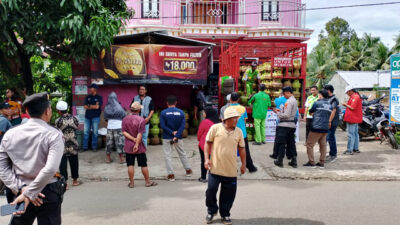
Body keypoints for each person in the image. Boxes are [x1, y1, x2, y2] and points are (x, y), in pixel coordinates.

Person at [0, 92, 64, 225]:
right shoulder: (54, 135)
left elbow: (2, 167)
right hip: (47, 190)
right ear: (47, 111)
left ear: (27, 111)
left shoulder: (10, 134)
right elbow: (50, 168)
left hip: (19, 190)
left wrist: (22, 190)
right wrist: (30, 193)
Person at [204, 107, 246, 225]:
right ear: (226, 119)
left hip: (231, 170)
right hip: (215, 168)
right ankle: (211, 211)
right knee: (211, 191)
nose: (236, 120)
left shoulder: (239, 132)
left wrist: (244, 164)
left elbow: (242, 149)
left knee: (228, 195)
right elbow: (207, 144)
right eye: (234, 118)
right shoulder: (215, 128)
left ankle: (225, 214)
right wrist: (206, 159)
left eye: (237, 118)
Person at [122, 102, 157, 188]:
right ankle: (147, 182)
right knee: (143, 164)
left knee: (130, 164)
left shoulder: (125, 119)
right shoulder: (141, 120)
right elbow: (140, 134)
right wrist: (136, 143)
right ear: (139, 110)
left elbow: (124, 132)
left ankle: (132, 183)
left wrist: (132, 140)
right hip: (139, 146)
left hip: (128, 146)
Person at [160, 95, 192, 181]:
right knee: (182, 153)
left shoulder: (163, 113)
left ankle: (171, 175)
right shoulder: (181, 112)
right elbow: (182, 126)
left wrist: (171, 132)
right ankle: (188, 170)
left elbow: (163, 125)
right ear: (176, 103)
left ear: (167, 103)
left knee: (168, 155)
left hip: (167, 136)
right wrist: (176, 135)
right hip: (178, 137)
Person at [303, 90, 332, 168]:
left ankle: (311, 162)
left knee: (309, 144)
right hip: (325, 128)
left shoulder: (317, 103)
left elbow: (310, 111)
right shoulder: (330, 104)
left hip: (316, 127)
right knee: (323, 145)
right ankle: (322, 162)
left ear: (320, 95)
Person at [229, 92, 258, 173]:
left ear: (230, 99)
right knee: (245, 151)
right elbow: (245, 120)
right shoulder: (242, 108)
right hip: (242, 133)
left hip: (231, 132)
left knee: (231, 151)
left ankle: (232, 168)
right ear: (238, 99)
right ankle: (251, 167)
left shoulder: (227, 109)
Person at [55, 100, 80, 187]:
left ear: (59, 111)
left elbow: (57, 131)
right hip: (73, 143)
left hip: (63, 145)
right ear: (67, 109)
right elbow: (77, 126)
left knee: (63, 164)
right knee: (74, 162)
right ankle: (75, 181)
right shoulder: (74, 118)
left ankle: (65, 183)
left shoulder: (58, 121)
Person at [273, 86, 298, 168]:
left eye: (284, 94)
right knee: (291, 143)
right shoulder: (294, 100)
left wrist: (277, 113)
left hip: (284, 125)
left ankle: (280, 160)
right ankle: (294, 160)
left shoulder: (289, 101)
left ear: (287, 92)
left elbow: (286, 115)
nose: (284, 96)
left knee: (281, 143)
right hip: (292, 125)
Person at [197, 107, 220, 183]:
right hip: (215, 146)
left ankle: (203, 177)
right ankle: (213, 177)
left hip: (204, 146)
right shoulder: (219, 123)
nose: (203, 114)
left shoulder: (205, 122)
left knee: (204, 161)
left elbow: (199, 135)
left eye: (204, 112)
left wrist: (199, 139)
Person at [104, 92, 126, 164]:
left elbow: (105, 118)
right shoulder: (119, 107)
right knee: (119, 142)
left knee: (108, 143)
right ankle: (121, 158)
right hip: (118, 126)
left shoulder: (106, 107)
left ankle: (108, 158)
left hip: (110, 127)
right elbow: (124, 116)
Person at [343, 86, 363, 155]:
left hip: (352, 118)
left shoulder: (355, 97)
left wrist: (345, 104)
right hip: (354, 118)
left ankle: (349, 150)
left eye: (347, 92)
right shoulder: (354, 96)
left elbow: (352, 107)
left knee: (350, 134)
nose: (347, 94)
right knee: (355, 134)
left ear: (350, 91)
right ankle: (355, 148)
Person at [83, 83, 103, 152]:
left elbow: (97, 107)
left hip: (95, 117)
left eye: (90, 88)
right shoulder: (87, 97)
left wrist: (89, 106)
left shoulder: (99, 97)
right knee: (86, 132)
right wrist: (93, 106)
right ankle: (85, 147)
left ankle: (94, 147)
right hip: (87, 117)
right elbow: (85, 106)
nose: (89, 89)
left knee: (95, 132)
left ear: (94, 89)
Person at [324, 84, 340, 163]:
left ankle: (333, 155)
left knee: (330, 137)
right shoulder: (328, 98)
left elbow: (333, 110)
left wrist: (329, 121)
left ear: (328, 90)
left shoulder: (334, 99)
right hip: (328, 121)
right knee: (330, 137)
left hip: (332, 122)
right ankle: (332, 154)